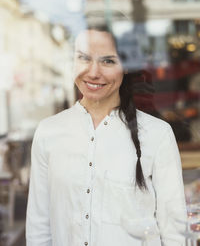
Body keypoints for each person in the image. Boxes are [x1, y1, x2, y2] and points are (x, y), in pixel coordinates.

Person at [26, 25, 187, 246]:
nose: (93, 72)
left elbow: (174, 230)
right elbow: (39, 227)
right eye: (84, 58)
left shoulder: (157, 135)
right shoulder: (48, 132)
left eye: (108, 61)